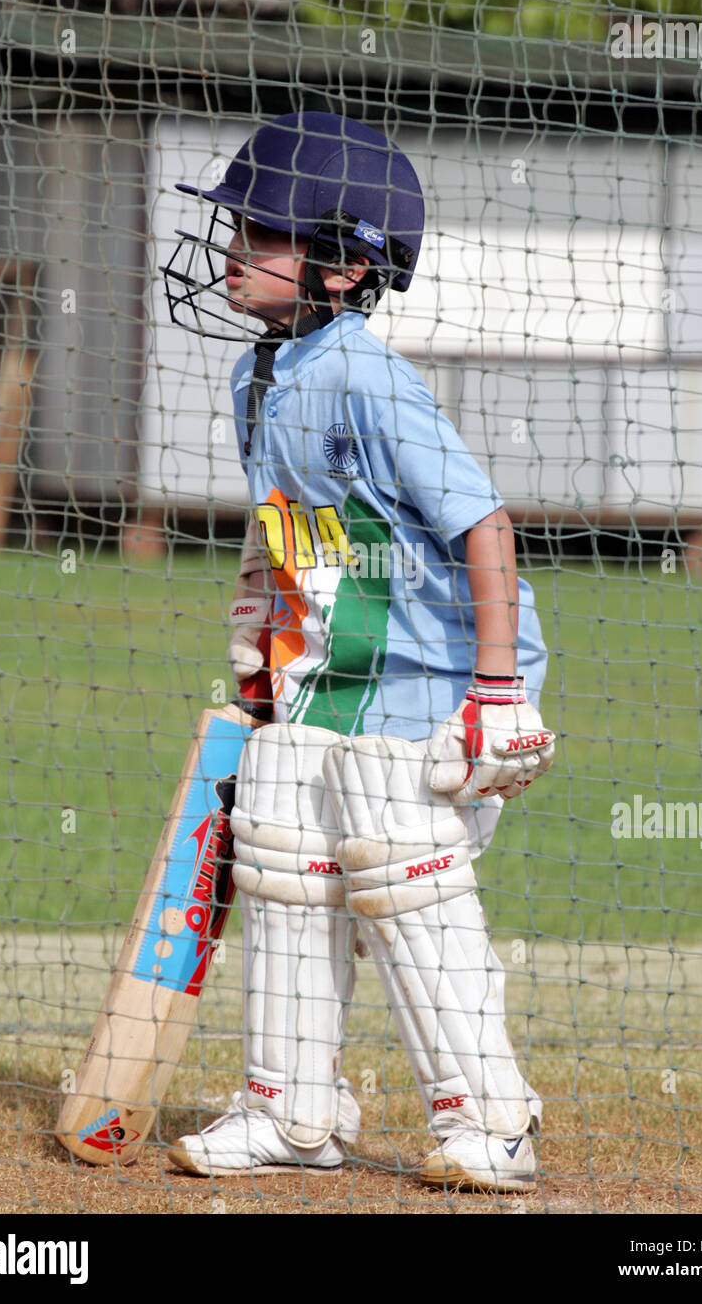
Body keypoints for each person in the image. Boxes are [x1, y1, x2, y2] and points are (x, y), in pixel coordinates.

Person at [161, 112, 555, 1191]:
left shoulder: (368, 377)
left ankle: (494, 1121)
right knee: (280, 839)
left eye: (261, 233)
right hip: (329, 672)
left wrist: (494, 692)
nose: (232, 251)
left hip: (437, 680)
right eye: (238, 228)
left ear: (341, 267)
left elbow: (484, 525)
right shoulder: (258, 376)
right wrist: (256, 628)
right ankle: (291, 1110)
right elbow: (283, 518)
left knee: (394, 864)